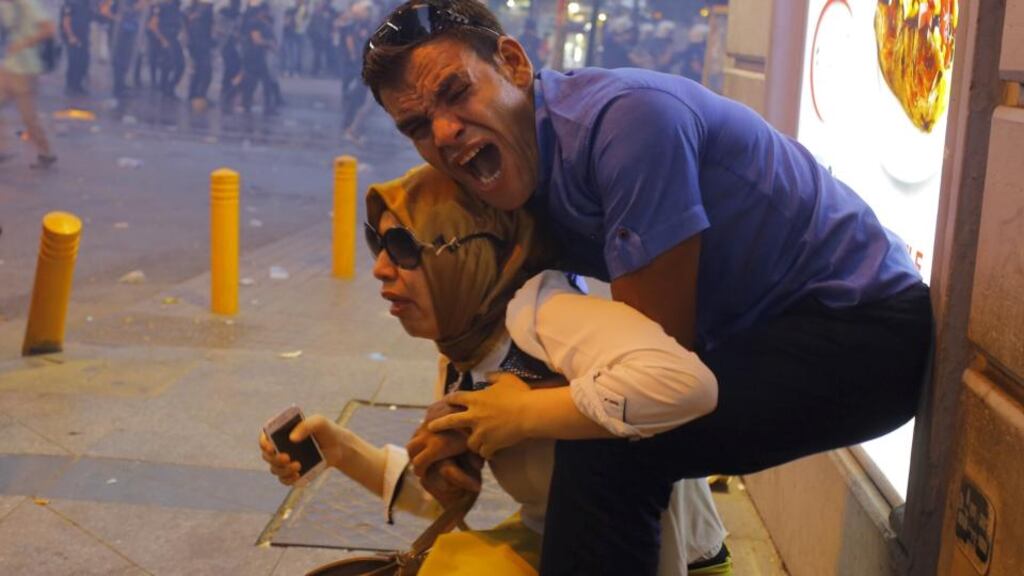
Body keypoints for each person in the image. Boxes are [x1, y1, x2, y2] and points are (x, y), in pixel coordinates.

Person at [360, 1, 933, 574]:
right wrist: (468, 419)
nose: (442, 131)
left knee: (611, 447)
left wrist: (513, 414)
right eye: (415, 125)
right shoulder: (520, 164)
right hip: (753, 335)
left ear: (512, 63)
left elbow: (656, 372)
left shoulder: (627, 122)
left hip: (863, 331)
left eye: (456, 92)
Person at [259, 164, 733, 575]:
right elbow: (444, 494)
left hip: (662, 558)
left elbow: (687, 384)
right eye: (376, 242)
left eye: (403, 246)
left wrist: (522, 414)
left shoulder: (546, 316)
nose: (381, 268)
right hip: (557, 543)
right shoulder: (466, 347)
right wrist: (337, 449)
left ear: (471, 251)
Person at [0, 0, 56, 168]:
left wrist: (24, 43)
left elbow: (49, 28)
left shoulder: (29, 4)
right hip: (9, 67)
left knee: (29, 118)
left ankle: (46, 153)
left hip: (26, 70)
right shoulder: (6, 5)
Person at [184, 0, 213, 109]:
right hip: (201, 43)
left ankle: (193, 94)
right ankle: (199, 96)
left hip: (195, 42)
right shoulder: (205, 8)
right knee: (205, 70)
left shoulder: (192, 9)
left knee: (198, 69)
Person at [60, 0, 91, 94]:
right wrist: (70, 36)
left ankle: (78, 85)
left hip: (83, 36)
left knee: (83, 61)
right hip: (73, 37)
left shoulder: (86, 3)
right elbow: (66, 21)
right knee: (74, 61)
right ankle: (71, 86)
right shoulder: (70, 3)